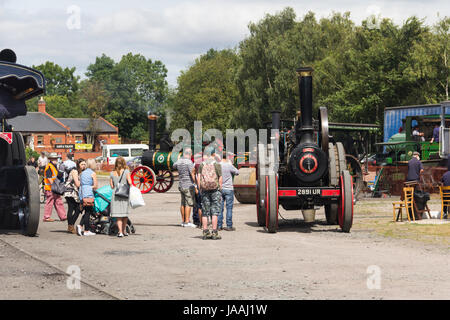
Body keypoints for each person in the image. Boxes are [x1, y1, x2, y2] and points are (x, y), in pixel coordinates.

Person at [198, 147, 223, 240]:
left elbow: (199, 177)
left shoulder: (202, 164)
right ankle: (214, 233)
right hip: (215, 190)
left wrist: (200, 188)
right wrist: (220, 188)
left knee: (205, 212)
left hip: (204, 190)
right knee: (215, 212)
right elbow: (220, 177)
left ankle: (205, 232)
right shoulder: (217, 164)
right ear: (213, 154)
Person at [173, 147, 196, 228]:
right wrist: (196, 184)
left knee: (182, 203)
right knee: (189, 204)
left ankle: (183, 221)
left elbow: (174, 166)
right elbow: (192, 174)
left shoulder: (179, 161)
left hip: (181, 184)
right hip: (188, 185)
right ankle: (187, 221)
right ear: (189, 154)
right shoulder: (189, 162)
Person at [110, 156, 132, 237]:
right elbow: (129, 182)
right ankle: (124, 231)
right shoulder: (126, 172)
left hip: (116, 194)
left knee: (118, 215)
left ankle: (120, 232)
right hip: (125, 193)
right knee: (125, 214)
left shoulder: (112, 173)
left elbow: (111, 186)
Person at [218, 151, 239, 231]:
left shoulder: (218, 165)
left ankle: (219, 225)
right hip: (229, 189)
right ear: (226, 157)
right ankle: (229, 225)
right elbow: (237, 172)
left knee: (220, 208)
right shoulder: (229, 165)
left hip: (220, 188)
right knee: (229, 208)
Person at [76, 158, 98, 236]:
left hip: (82, 193)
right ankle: (86, 230)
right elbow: (95, 186)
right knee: (88, 212)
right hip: (89, 194)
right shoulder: (93, 173)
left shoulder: (82, 173)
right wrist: (91, 187)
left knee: (87, 211)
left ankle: (81, 225)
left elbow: (80, 184)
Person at [43, 154, 67, 222]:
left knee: (58, 201)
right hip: (50, 188)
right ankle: (46, 217)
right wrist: (55, 186)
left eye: (56, 158)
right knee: (50, 202)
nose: (56, 160)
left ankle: (63, 216)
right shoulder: (49, 166)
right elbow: (50, 178)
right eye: (54, 159)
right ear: (50, 159)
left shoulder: (54, 166)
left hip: (54, 188)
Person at [64, 158, 84, 234]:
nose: (83, 166)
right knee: (73, 208)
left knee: (77, 209)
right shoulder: (75, 171)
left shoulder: (79, 172)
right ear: (78, 165)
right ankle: (71, 226)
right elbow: (77, 183)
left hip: (74, 192)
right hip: (70, 192)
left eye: (84, 164)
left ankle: (70, 226)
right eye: (82, 164)